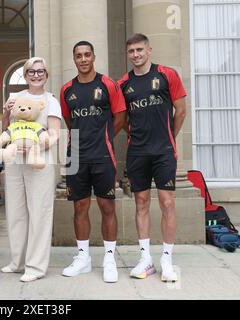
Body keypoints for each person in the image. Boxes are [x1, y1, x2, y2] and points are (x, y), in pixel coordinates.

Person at [118, 33, 187, 282]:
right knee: (141, 203)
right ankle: (145, 260)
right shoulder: (123, 83)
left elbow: (181, 111)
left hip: (164, 151)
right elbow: (123, 120)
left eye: (139, 50)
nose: (135, 55)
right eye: (131, 51)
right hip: (137, 151)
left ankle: (167, 259)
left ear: (149, 50)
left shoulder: (167, 75)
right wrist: (139, 134)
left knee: (167, 202)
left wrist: (169, 136)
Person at [60, 41, 126, 283]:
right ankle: (83, 258)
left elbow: (120, 116)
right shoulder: (67, 89)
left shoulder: (108, 84)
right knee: (80, 207)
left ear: (94, 57)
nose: (84, 59)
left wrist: (104, 138)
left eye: (87, 54)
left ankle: (109, 258)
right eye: (79, 55)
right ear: (74, 59)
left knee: (107, 206)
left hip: (103, 155)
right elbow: (69, 121)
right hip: (75, 155)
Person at [0, 57, 61, 282]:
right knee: (15, 211)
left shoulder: (51, 101)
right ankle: (18, 262)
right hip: (15, 159)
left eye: (41, 71)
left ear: (46, 74)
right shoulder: (14, 98)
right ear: (25, 75)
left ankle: (35, 267)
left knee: (39, 212)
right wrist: (6, 113)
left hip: (39, 159)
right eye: (32, 72)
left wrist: (35, 145)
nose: (36, 75)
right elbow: (5, 127)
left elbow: (54, 133)